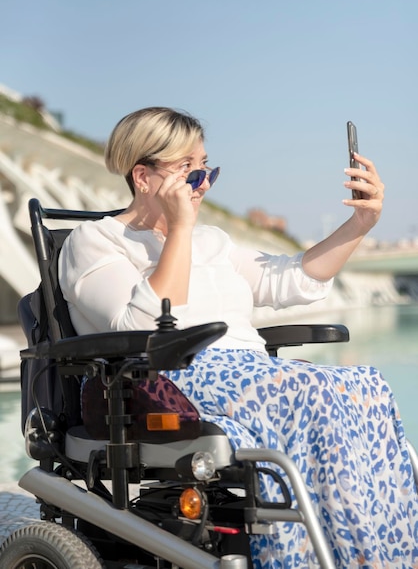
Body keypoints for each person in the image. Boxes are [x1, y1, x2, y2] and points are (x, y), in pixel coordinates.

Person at [58, 107, 418, 569]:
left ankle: (380, 554)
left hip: (246, 371)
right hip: (162, 377)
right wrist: (179, 231)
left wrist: (360, 225)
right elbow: (138, 329)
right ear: (143, 176)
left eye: (207, 168)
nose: (203, 183)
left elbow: (290, 279)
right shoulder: (95, 241)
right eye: (190, 171)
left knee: (364, 386)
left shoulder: (214, 241)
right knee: (318, 394)